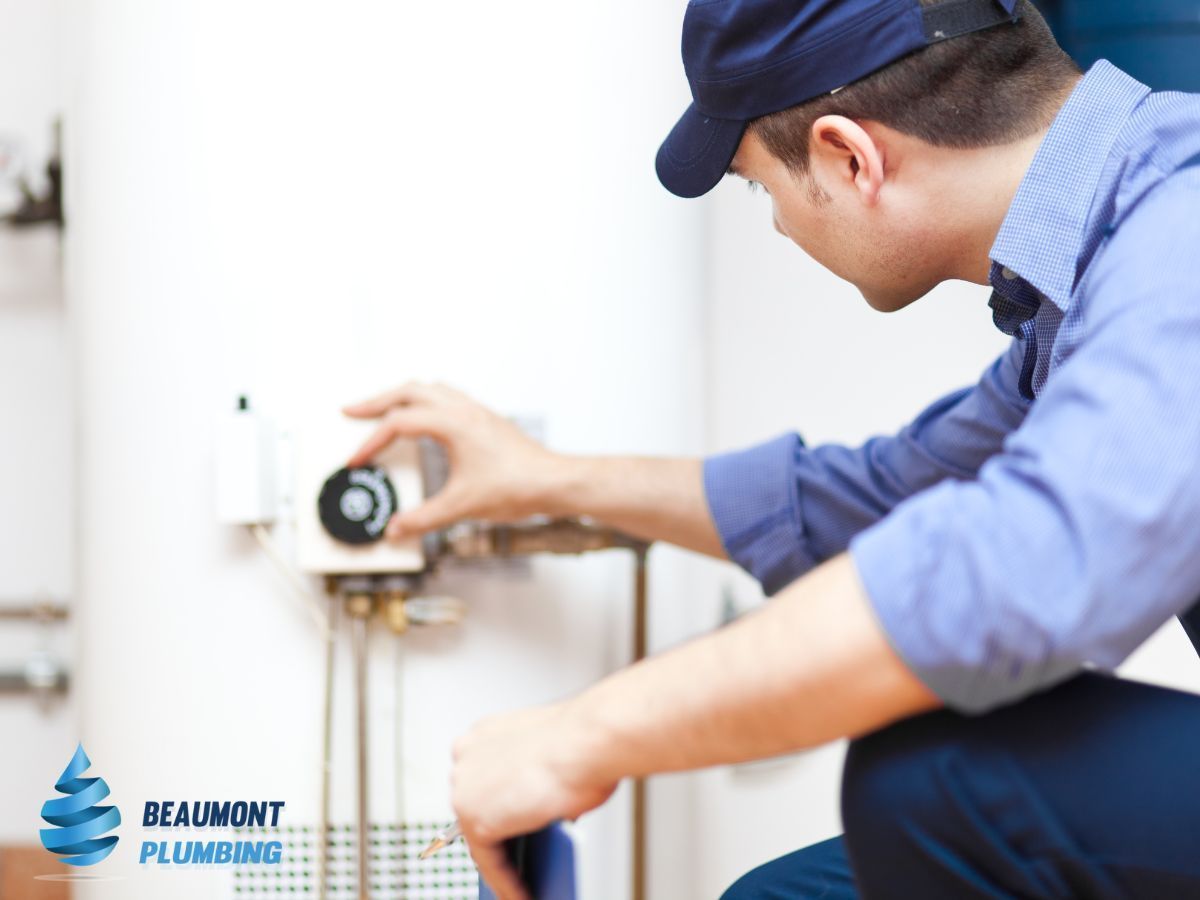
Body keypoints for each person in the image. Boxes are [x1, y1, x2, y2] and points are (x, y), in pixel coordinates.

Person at [343, 0, 1200, 896]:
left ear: (847, 157)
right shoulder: (1089, 275)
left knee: (935, 775)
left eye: (760, 186)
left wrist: (581, 735)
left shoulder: (1180, 226)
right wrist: (546, 480)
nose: (780, 223)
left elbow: (1010, 572)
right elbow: (881, 501)